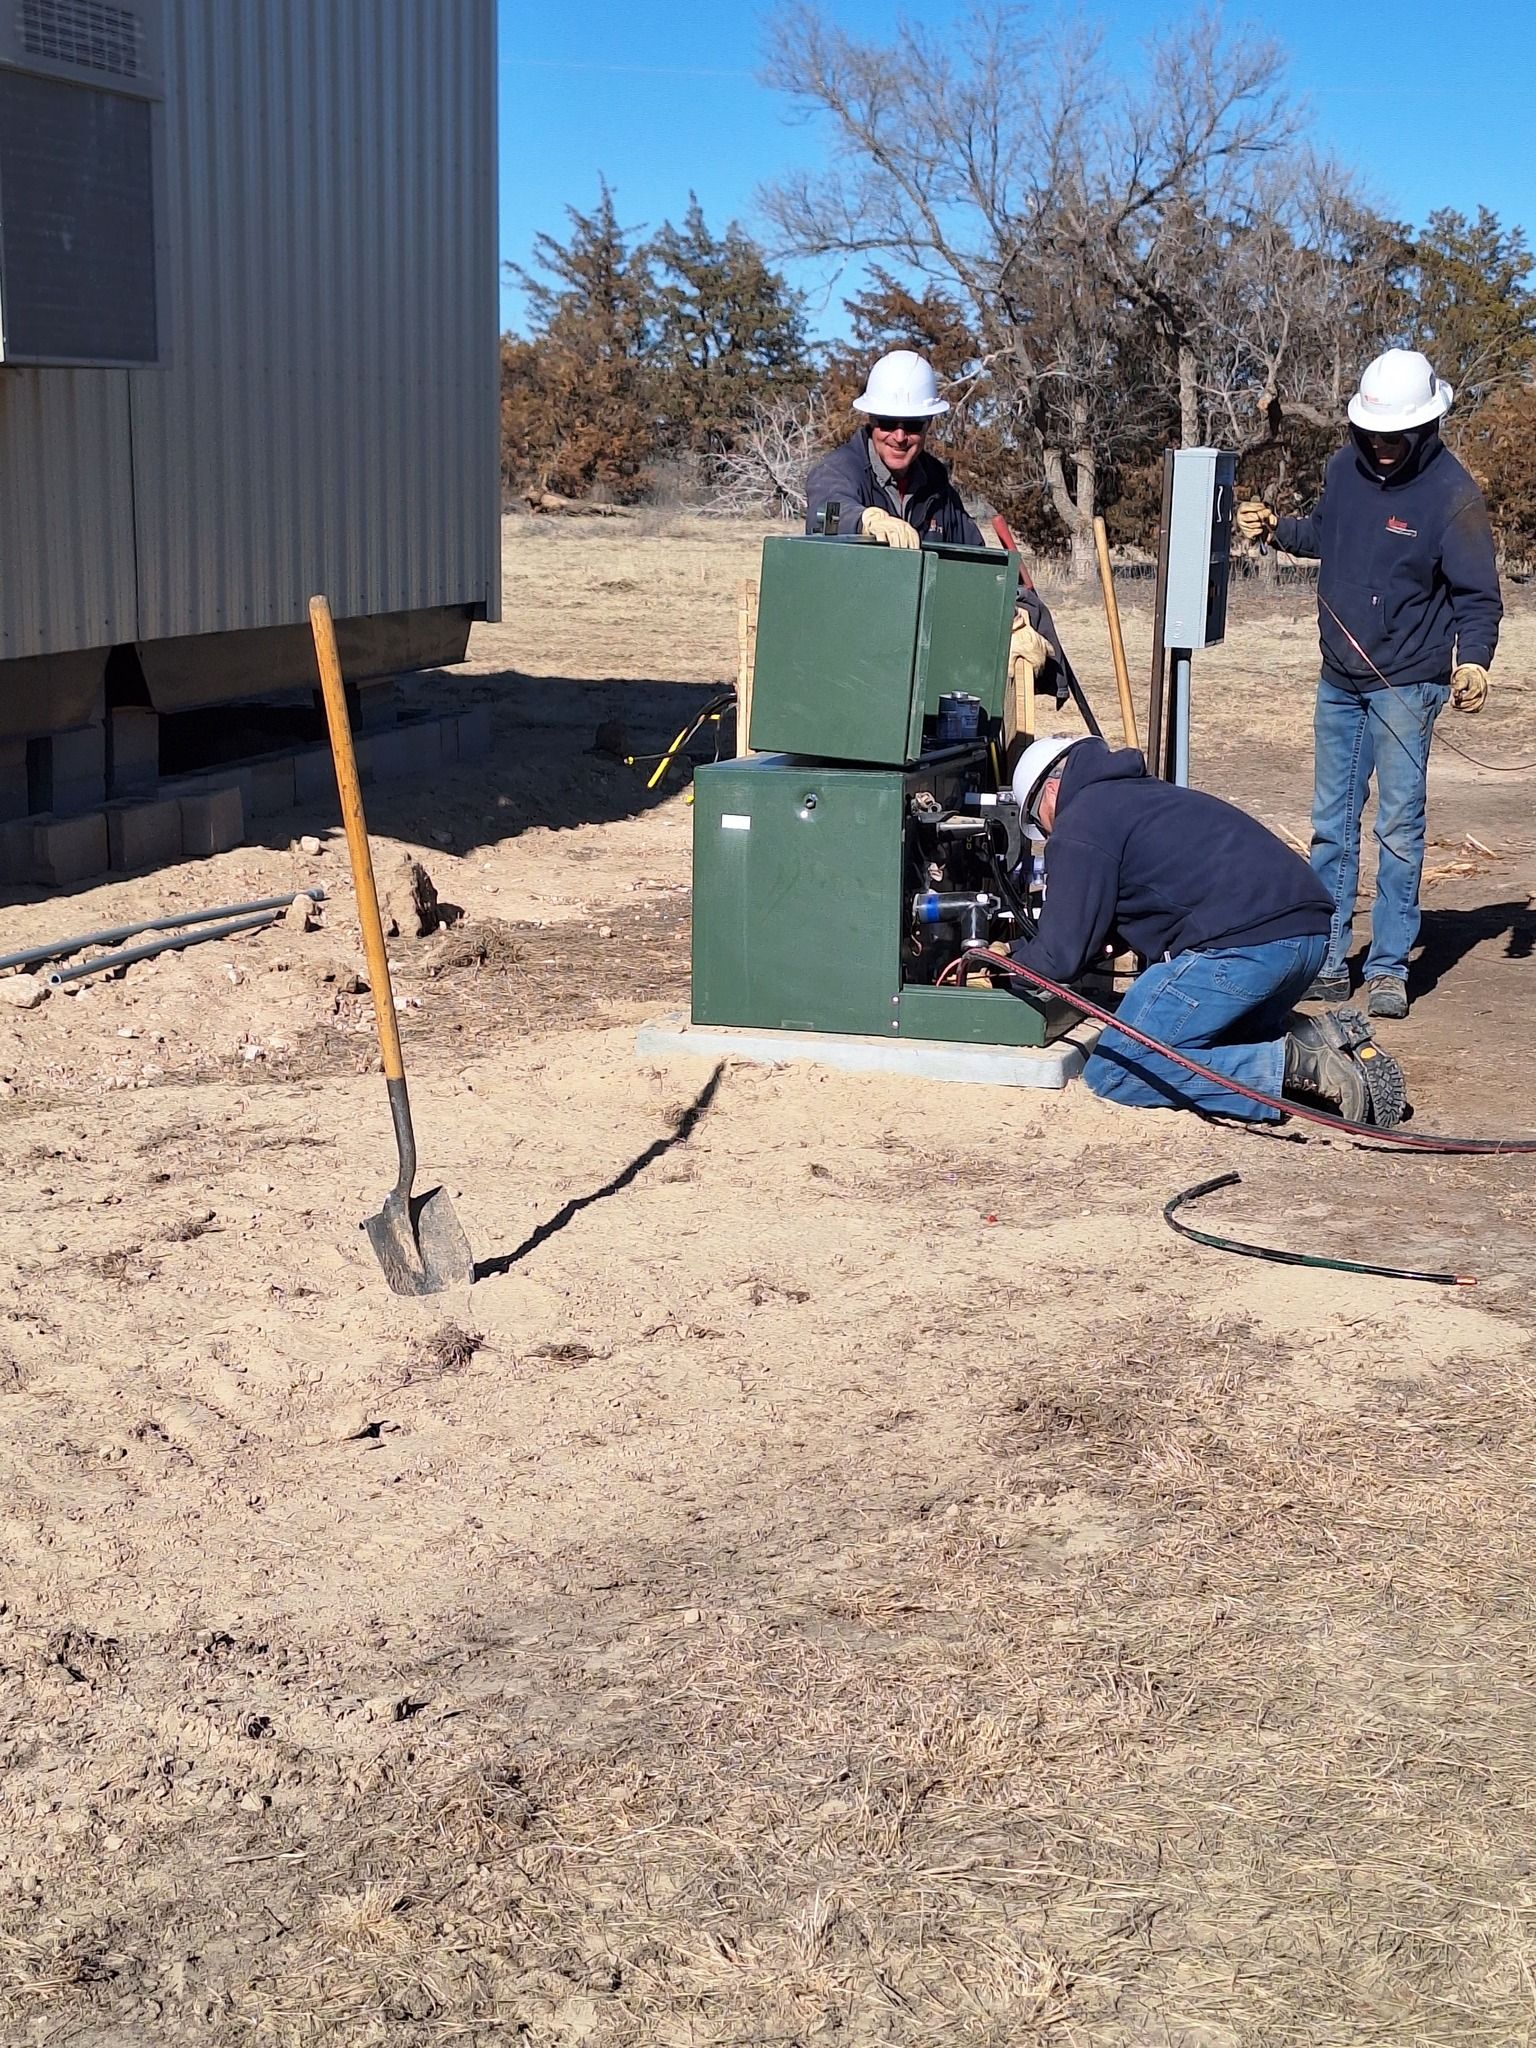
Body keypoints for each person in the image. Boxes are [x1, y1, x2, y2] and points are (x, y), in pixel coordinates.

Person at [1236, 348, 1502, 1021]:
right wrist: (1278, 530)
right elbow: (1326, 534)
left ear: (1426, 428)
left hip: (1407, 686)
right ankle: (1327, 962)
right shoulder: (1343, 469)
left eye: (1394, 437)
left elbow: (1478, 597)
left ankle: (1387, 967)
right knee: (1331, 827)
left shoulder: (1453, 496)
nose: (1380, 447)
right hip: (1339, 680)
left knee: (1399, 829)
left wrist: (1474, 661)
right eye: (1371, 434)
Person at [1005, 734, 1406, 1126]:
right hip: (1307, 938)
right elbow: (1099, 929)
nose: (1048, 835)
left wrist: (1003, 966)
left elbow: (1060, 956)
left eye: (1039, 823)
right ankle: (1318, 1041)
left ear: (1051, 791)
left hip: (1243, 949)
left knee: (1117, 1068)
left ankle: (1297, 1064)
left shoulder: (1081, 820)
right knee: (1215, 1044)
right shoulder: (1140, 795)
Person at [804, 350, 1065, 739]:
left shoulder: (936, 486)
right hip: (853, 659)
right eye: (887, 423)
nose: (899, 436)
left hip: (926, 657)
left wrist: (1016, 616)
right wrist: (865, 519)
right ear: (871, 421)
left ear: (927, 426)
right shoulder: (839, 469)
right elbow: (825, 511)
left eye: (911, 425)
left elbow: (978, 564)